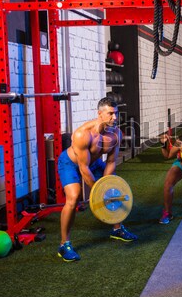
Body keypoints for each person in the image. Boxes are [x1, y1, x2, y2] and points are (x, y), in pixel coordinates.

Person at [57, 97, 137, 262]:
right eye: (110, 114)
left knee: (113, 188)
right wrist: (98, 190)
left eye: (116, 114)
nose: (115, 118)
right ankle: (64, 244)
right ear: (100, 114)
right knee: (73, 198)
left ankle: (117, 228)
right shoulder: (83, 134)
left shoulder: (116, 134)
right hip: (70, 163)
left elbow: (111, 161)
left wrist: (107, 186)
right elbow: (83, 168)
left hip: (94, 164)